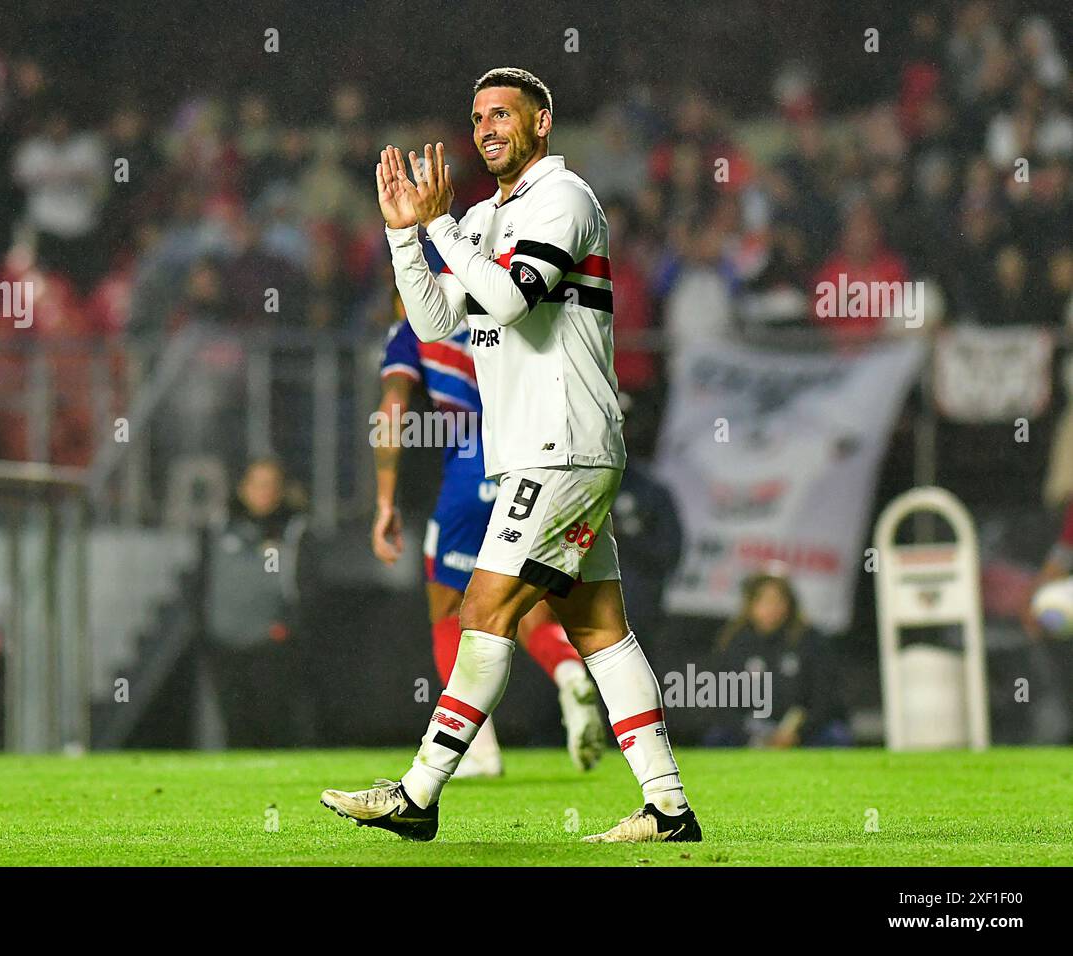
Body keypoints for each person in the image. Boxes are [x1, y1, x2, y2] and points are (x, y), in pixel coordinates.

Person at [322, 68, 700, 843]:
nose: (487, 126)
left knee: (483, 609)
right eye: (477, 116)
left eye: (503, 113)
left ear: (542, 121)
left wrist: (445, 231)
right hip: (545, 450)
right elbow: (433, 324)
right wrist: (406, 233)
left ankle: (419, 795)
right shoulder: (487, 217)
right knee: (599, 628)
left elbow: (513, 298)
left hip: (561, 446)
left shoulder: (564, 200)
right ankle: (668, 808)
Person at [374, 289, 606, 777]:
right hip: (536, 461)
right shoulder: (501, 308)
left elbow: (393, 410)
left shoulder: (413, 328)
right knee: (522, 594)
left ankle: (478, 750)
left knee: (449, 606)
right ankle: (568, 674)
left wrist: (384, 499)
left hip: (471, 466)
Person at [204, 457, 314, 748]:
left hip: (272, 646)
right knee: (235, 725)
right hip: (224, 645)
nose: (265, 492)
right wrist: (205, 628)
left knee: (277, 723)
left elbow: (309, 588)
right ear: (243, 488)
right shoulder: (219, 527)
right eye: (258, 484)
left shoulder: (295, 530)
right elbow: (201, 580)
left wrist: (287, 628)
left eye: (272, 485)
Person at [705, 570, 851, 748]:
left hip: (800, 730)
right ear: (750, 605)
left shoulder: (809, 641)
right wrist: (752, 735)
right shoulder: (733, 643)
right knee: (717, 737)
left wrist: (797, 732)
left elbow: (825, 697)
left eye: (778, 600)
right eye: (764, 601)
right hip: (750, 730)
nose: (771, 608)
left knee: (836, 735)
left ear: (790, 604)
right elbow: (721, 704)